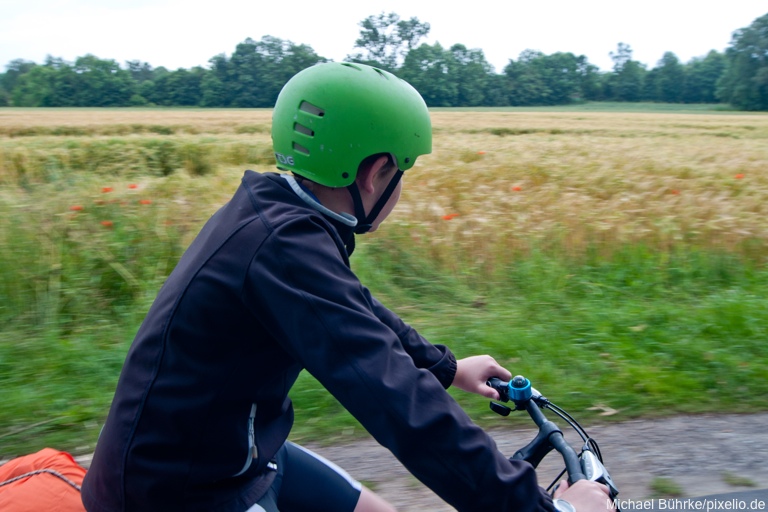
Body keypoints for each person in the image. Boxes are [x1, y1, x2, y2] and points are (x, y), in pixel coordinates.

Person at [81, 62, 613, 512]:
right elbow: (398, 404)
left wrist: (444, 367)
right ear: (375, 173)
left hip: (240, 455)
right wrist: (547, 508)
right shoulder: (282, 247)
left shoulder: (278, 217)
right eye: (403, 171)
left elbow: (356, 310)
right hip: (176, 492)